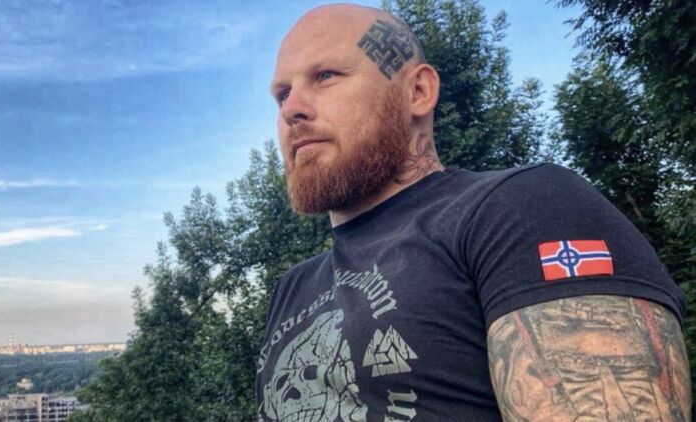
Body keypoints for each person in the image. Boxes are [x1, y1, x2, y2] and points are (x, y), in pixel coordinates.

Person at [256, 4, 691, 421]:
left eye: (325, 76)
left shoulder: (524, 206)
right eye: (282, 94)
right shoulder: (294, 287)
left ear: (417, 92)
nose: (292, 109)